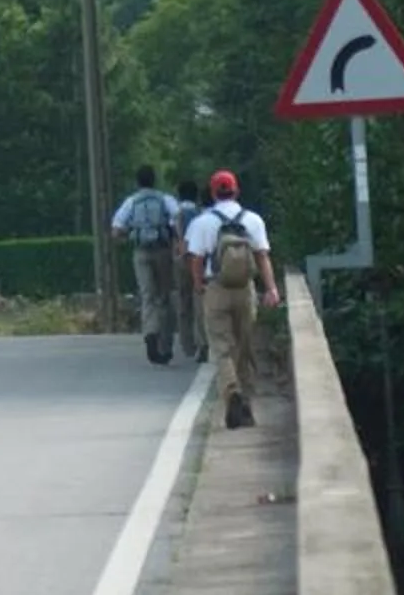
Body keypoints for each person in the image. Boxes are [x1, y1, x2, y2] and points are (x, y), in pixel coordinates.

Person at [185, 170, 280, 429]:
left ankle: (231, 392)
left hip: (216, 287)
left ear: (214, 193)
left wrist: (198, 285)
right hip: (245, 289)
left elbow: (195, 259)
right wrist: (271, 289)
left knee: (221, 347)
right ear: (236, 191)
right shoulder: (253, 220)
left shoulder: (203, 222)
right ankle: (247, 406)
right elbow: (262, 257)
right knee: (245, 347)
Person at [110, 164, 180, 365]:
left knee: (147, 296)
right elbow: (177, 221)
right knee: (164, 297)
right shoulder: (165, 200)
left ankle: (150, 333)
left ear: (137, 182)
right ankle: (165, 344)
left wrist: (130, 235)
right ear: (154, 180)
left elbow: (116, 229)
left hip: (141, 252)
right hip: (163, 251)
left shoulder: (131, 202)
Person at [173, 178, 206, 364]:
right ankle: (202, 341)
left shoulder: (177, 213)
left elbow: (174, 236)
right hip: (198, 258)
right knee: (199, 300)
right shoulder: (200, 214)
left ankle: (187, 343)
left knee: (183, 301)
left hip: (181, 259)